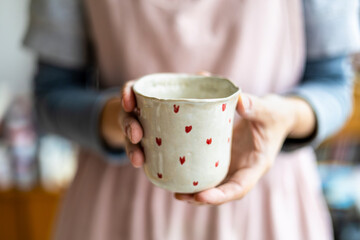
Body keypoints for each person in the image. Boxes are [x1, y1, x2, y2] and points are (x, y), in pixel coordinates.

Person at [25, 0, 359, 239]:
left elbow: (334, 84)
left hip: (268, 204)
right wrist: (119, 119)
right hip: (116, 210)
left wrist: (285, 117)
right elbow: (50, 96)